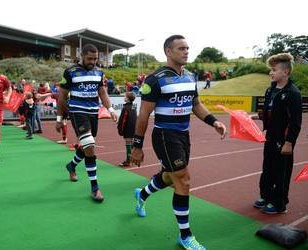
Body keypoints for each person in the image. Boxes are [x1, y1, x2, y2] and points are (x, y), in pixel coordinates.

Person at [130, 35, 227, 250]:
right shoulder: (155, 79)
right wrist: (137, 146)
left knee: (168, 177)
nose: (186, 51)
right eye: (181, 48)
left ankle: (142, 194)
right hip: (165, 135)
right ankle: (185, 235)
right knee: (183, 180)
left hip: (184, 135)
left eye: (187, 48)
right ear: (168, 51)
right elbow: (144, 114)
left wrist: (214, 122)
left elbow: (196, 104)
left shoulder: (190, 76)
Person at [55, 43, 118, 203]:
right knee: (90, 147)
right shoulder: (70, 72)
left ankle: (71, 165)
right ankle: (95, 188)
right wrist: (59, 119)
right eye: (89, 58)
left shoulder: (99, 71)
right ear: (82, 56)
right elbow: (62, 96)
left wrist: (110, 109)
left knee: (85, 147)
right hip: (77, 112)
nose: (93, 61)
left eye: (95, 58)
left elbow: (102, 91)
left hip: (93, 113)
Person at [250, 53, 302, 214]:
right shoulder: (270, 90)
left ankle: (279, 203)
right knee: (267, 169)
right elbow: (269, 113)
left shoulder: (292, 93)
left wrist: (289, 142)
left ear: (284, 72)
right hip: (270, 138)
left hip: (283, 141)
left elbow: (295, 122)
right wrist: (253, 117)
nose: (270, 73)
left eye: (273, 70)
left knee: (281, 173)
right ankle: (266, 196)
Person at [117, 91, 137, 167]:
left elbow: (123, 120)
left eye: (125, 96)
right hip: (133, 128)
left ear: (128, 99)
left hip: (128, 129)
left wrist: (120, 129)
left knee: (128, 144)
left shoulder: (125, 108)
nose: (124, 98)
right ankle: (132, 159)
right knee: (131, 144)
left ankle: (129, 161)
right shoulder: (133, 107)